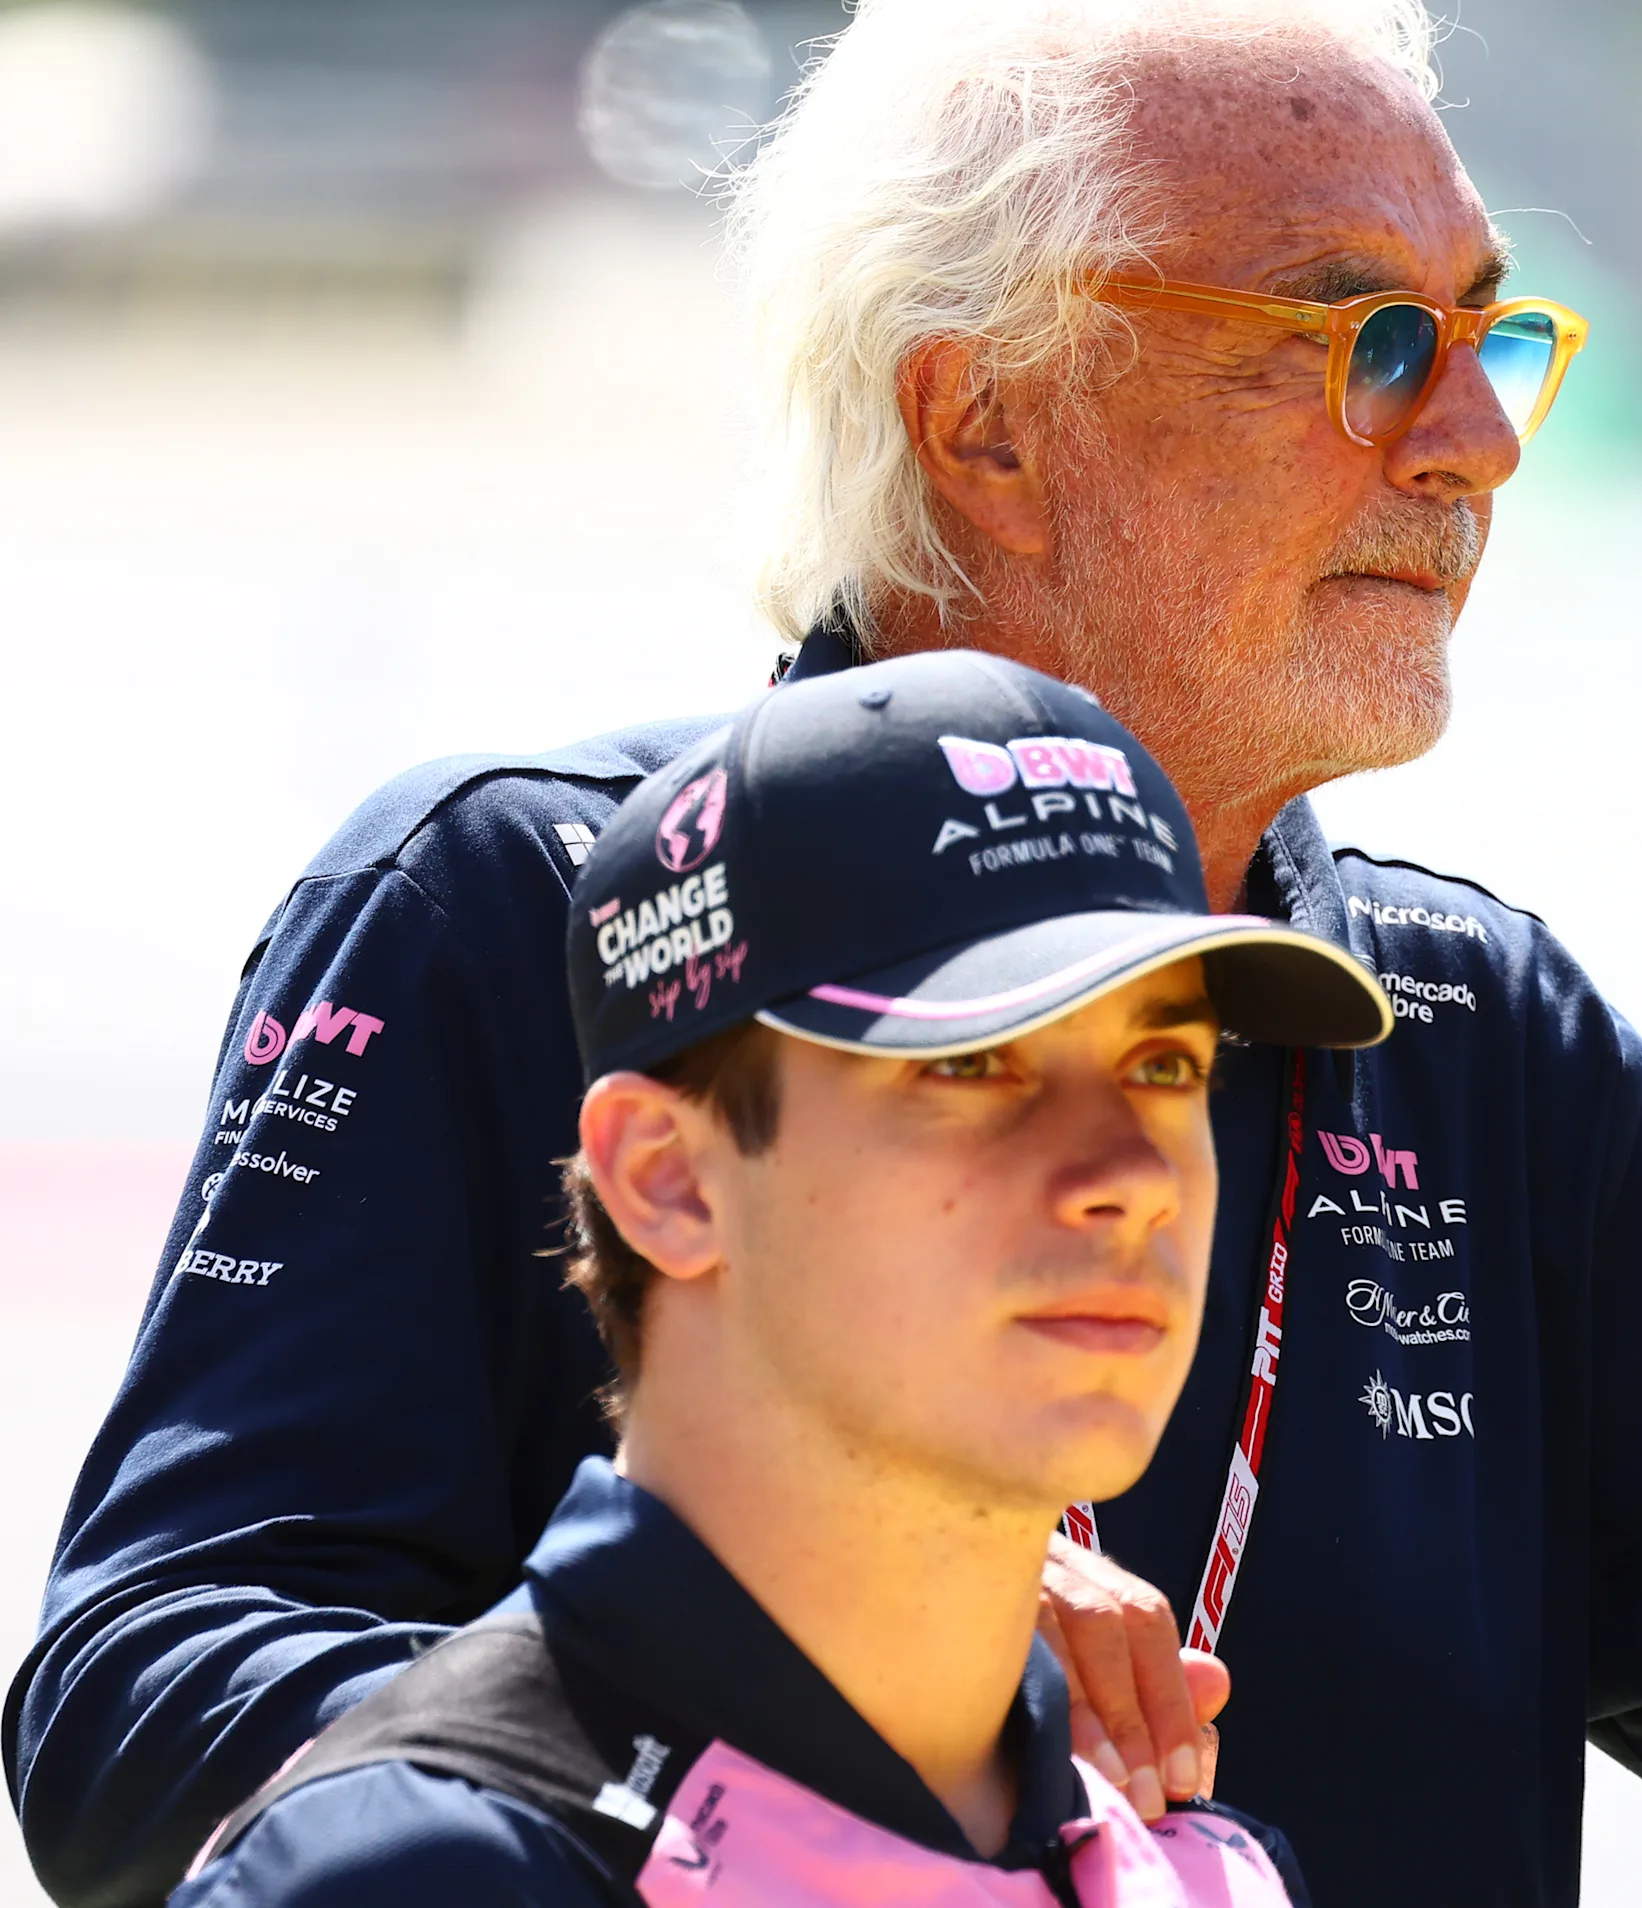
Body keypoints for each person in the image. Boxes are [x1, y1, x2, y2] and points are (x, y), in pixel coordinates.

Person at [8, 3, 1642, 1904]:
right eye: (1358, 338)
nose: (1475, 443)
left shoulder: (1477, 1031)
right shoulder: (522, 909)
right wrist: (815, 1681)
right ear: (987, 417)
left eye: (1490, 338)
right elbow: (136, 1704)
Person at [174, 650, 1388, 1904]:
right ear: (667, 1178)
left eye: (1165, 1067)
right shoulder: (415, 1871)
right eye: (970, 1066)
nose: (1129, 1172)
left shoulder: (1210, 1875)